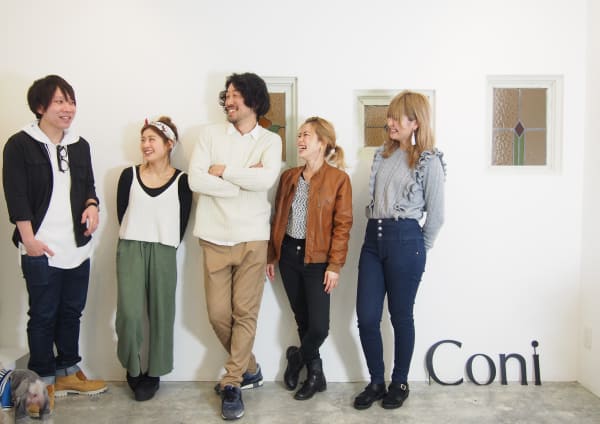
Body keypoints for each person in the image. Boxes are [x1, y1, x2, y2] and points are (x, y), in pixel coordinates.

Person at [2, 75, 107, 416]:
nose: (68, 108)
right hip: (40, 247)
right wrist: (29, 240)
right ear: (40, 106)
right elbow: (16, 194)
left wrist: (92, 205)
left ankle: (67, 372)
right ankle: (40, 382)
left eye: (71, 101)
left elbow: (88, 185)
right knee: (42, 315)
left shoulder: (79, 144)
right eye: (60, 101)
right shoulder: (19, 144)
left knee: (71, 312)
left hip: (77, 246)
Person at [188, 72, 282, 420]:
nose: (228, 101)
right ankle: (250, 367)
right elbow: (196, 179)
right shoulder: (209, 134)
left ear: (253, 100)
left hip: (253, 237)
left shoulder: (270, 141)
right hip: (213, 236)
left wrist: (223, 171)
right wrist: (242, 180)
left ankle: (232, 383)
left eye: (235, 96)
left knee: (245, 313)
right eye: (226, 96)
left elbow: (266, 179)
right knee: (217, 315)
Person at [353, 91, 446, 411]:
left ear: (415, 122)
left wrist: (419, 248)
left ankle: (400, 381)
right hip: (372, 240)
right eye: (389, 116)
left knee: (400, 316)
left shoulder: (429, 161)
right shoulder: (382, 155)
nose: (389, 122)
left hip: (406, 241)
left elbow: (436, 216)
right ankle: (376, 381)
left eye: (396, 117)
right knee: (367, 317)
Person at [266, 117, 353, 400]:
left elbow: (343, 225)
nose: (300, 140)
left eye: (306, 135)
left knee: (319, 327)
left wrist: (335, 265)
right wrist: (272, 254)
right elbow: (278, 217)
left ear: (322, 142)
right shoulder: (289, 176)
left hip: (318, 260)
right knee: (302, 319)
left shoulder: (339, 180)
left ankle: (296, 359)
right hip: (288, 256)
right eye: (299, 135)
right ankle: (316, 375)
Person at [115, 116, 192, 402]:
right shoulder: (128, 175)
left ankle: (155, 372)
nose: (145, 145)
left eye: (152, 140)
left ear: (169, 144)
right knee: (129, 314)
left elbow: (182, 221)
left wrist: (163, 243)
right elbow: (122, 212)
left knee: (162, 313)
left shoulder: (182, 180)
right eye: (143, 139)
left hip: (164, 249)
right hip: (130, 246)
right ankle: (132, 368)